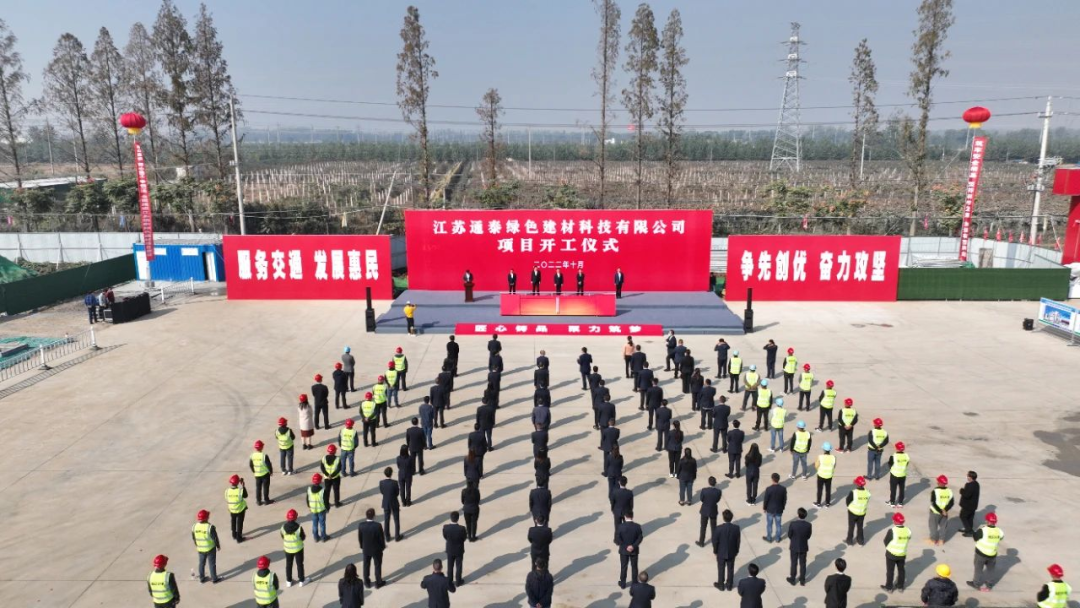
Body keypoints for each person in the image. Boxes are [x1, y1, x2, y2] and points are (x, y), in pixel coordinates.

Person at [969, 512, 1004, 591]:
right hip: (992, 554)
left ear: (986, 521)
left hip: (981, 554)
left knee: (978, 569)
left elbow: (975, 537)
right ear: (995, 521)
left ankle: (976, 584)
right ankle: (989, 586)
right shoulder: (999, 531)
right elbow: (1001, 538)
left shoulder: (983, 530)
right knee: (990, 570)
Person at [711, 509, 740, 591]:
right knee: (730, 568)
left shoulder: (718, 528)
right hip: (732, 552)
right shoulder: (736, 528)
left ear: (723, 518)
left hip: (721, 552)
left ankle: (721, 585)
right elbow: (738, 541)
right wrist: (736, 551)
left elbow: (715, 541)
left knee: (721, 568)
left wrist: (715, 551)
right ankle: (729, 585)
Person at [881, 512, 911, 592]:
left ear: (895, 521)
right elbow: (908, 539)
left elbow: (886, 541)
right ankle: (900, 586)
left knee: (890, 571)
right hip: (902, 554)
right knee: (901, 570)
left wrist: (889, 548)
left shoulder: (892, 530)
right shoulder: (908, 530)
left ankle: (889, 587)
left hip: (891, 554)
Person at [357, 508, 386, 588]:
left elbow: (360, 538)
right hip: (376, 549)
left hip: (366, 549)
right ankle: (378, 582)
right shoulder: (377, 526)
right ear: (374, 516)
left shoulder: (361, 525)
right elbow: (381, 538)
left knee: (366, 565)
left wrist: (362, 546)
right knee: (377, 565)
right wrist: (382, 547)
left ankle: (367, 582)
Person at [191, 509, 220, 583]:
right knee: (212, 564)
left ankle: (202, 578)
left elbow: (194, 538)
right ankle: (214, 578)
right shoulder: (210, 527)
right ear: (206, 518)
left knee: (201, 564)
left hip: (200, 549)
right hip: (210, 548)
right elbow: (215, 538)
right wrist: (218, 546)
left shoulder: (194, 526)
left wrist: (197, 545)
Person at [281, 508, 309, 587]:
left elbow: (282, 536)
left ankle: (289, 581)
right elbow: (303, 537)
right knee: (299, 564)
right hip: (298, 549)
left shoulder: (283, 527)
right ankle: (301, 581)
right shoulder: (299, 528)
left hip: (288, 549)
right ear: (296, 517)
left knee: (288, 565)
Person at [616, 511, 643, 589]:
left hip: (624, 551)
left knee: (623, 567)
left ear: (625, 517)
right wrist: (633, 546)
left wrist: (626, 547)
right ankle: (634, 582)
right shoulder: (637, 526)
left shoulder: (620, 527)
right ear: (632, 516)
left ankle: (623, 583)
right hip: (634, 550)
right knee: (634, 566)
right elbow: (640, 537)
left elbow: (618, 539)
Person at [787, 507, 813, 586]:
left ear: (798, 515)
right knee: (803, 563)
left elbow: (789, 535)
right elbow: (808, 536)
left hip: (794, 546)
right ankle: (802, 580)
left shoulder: (793, 524)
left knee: (794, 563)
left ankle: (793, 579)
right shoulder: (808, 525)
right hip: (803, 546)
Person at [443, 511, 467, 586]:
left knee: (450, 566)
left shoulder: (446, 528)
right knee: (458, 566)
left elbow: (445, 536)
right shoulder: (462, 528)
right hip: (459, 549)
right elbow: (464, 538)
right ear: (458, 518)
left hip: (450, 549)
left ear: (450, 518)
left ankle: (449, 581)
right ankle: (458, 581)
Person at [845, 476, 871, 546]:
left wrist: (849, 507)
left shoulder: (853, 492)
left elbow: (848, 501)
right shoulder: (868, 493)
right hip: (862, 513)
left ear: (857, 484)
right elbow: (867, 500)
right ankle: (860, 540)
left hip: (852, 512)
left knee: (851, 526)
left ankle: (849, 540)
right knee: (860, 527)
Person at [697, 476, 722, 547]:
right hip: (713, 510)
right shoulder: (718, 491)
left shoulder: (704, 490)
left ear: (709, 482)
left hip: (705, 510)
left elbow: (701, 499)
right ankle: (714, 543)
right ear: (715, 483)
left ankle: (701, 542)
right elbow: (717, 500)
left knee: (703, 527)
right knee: (713, 527)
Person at [929, 475, 954, 546]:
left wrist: (940, 511)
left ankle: (933, 540)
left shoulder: (935, 491)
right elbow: (951, 503)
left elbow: (933, 503)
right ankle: (941, 540)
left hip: (935, 512)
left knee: (933, 527)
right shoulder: (949, 491)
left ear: (939, 483)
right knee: (943, 527)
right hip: (945, 513)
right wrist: (945, 510)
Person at [762, 473, 787, 543]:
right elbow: (784, 500)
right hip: (779, 509)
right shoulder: (783, 489)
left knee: (769, 524)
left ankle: (769, 538)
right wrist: (782, 507)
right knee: (778, 525)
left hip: (770, 509)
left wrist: (764, 508)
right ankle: (778, 538)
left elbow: (766, 500)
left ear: (772, 479)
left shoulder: (769, 489)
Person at [380, 467, 403, 541]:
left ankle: (387, 536)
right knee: (396, 519)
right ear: (391, 474)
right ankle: (397, 536)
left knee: (386, 520)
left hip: (386, 502)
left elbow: (382, 492)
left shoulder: (381, 482)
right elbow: (397, 493)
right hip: (394, 502)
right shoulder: (394, 483)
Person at [249, 440, 274, 505]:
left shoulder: (252, 455)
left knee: (258, 488)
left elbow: (251, 465)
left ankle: (258, 501)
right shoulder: (264, 456)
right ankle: (266, 500)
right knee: (265, 487)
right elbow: (268, 465)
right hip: (265, 474)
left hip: (257, 475)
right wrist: (271, 472)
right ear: (261, 447)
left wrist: (254, 471)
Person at [225, 474, 248, 542]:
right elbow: (246, 495)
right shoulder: (240, 491)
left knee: (233, 521)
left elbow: (226, 498)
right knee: (239, 523)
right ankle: (239, 538)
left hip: (232, 509)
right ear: (238, 482)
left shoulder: (227, 491)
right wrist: (243, 486)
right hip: (240, 510)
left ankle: (234, 534)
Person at [886, 442, 909, 507]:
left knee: (893, 489)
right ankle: (900, 502)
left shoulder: (893, 456)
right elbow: (907, 464)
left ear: (896, 448)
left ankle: (892, 502)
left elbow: (890, 464)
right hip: (903, 475)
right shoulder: (906, 456)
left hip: (894, 475)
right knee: (902, 489)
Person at [814, 442, 836, 507]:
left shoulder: (820, 457)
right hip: (829, 475)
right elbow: (834, 466)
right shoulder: (833, 457)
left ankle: (818, 503)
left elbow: (816, 466)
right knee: (828, 490)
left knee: (820, 489)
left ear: (823, 449)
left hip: (821, 475)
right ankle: (827, 503)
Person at [308, 473, 329, 542]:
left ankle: (316, 537)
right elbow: (326, 501)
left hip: (313, 510)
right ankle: (323, 537)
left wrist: (309, 506)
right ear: (320, 481)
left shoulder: (309, 490)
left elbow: (307, 499)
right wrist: (328, 508)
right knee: (322, 524)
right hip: (321, 510)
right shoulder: (323, 491)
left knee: (314, 524)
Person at [959, 471, 980, 537]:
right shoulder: (976, 484)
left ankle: (969, 531)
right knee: (970, 518)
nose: (967, 477)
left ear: (970, 477)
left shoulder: (970, 485)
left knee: (963, 516)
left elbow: (967, 495)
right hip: (973, 505)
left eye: (968, 476)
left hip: (967, 506)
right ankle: (968, 529)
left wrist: (961, 491)